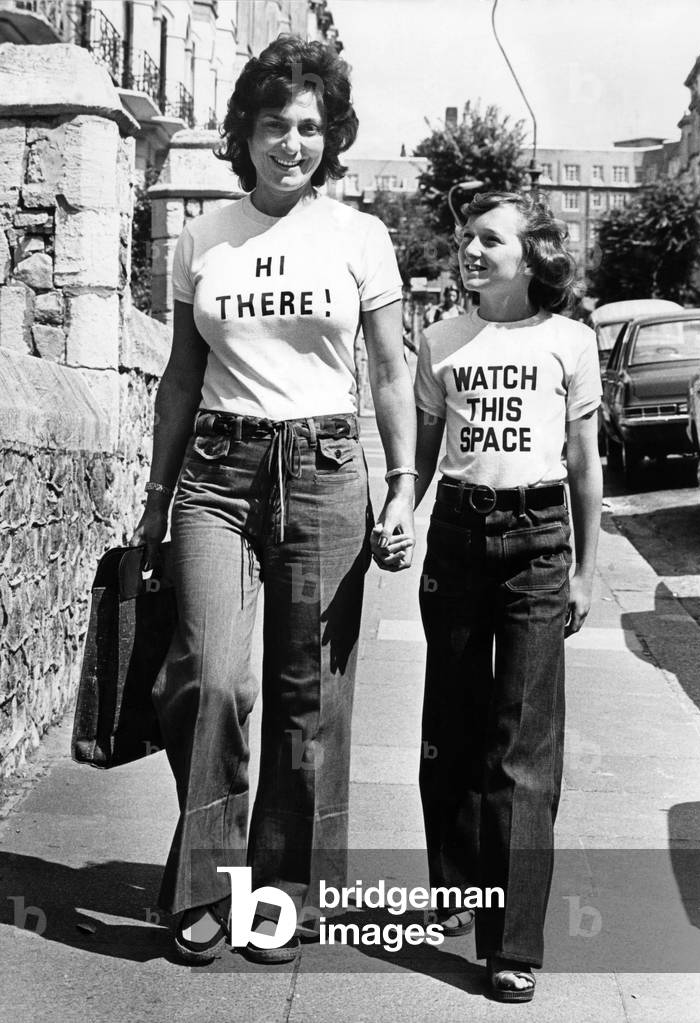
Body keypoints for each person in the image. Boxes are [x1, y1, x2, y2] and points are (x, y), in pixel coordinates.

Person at [130, 35, 416, 965]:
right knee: (207, 675)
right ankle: (209, 875)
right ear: (243, 133)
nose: (290, 143)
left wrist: (402, 484)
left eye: (308, 127)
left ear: (328, 137)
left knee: (310, 698)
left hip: (328, 466)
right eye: (272, 125)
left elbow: (386, 371)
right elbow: (179, 377)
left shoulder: (358, 236)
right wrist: (155, 497)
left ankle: (283, 890)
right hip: (218, 467)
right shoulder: (205, 236)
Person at [406, 192, 602, 1002]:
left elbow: (585, 463)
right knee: (450, 727)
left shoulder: (570, 342)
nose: (471, 250)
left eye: (491, 239)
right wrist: (394, 514)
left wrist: (585, 571)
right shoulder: (441, 339)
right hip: (455, 536)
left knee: (519, 746)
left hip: (537, 543)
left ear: (534, 255)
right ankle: (456, 887)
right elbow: (420, 456)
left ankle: (511, 940)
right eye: (466, 239)